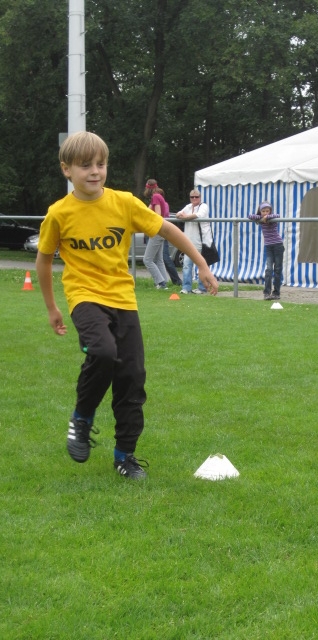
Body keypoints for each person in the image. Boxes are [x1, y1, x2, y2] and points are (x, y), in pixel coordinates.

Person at [35, 132, 218, 480]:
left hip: (123, 300)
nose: (95, 171)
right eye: (85, 165)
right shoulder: (59, 214)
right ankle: (82, 418)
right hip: (85, 298)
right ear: (66, 169)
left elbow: (168, 231)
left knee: (131, 378)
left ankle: (125, 456)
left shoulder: (124, 203)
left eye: (100, 164)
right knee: (103, 352)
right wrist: (52, 308)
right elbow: (43, 261)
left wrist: (202, 264)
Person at [175, 188, 213, 294]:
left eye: (197, 197)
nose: (194, 198)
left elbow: (198, 215)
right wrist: (184, 216)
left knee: (201, 265)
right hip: (189, 241)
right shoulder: (188, 207)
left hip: (202, 241)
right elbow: (178, 214)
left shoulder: (204, 206)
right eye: (192, 197)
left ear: (200, 197)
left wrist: (185, 217)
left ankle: (202, 288)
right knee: (187, 265)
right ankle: (186, 287)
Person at [248, 201, 284, 300]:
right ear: (260, 211)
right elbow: (250, 216)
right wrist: (261, 217)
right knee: (269, 269)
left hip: (278, 245)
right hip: (268, 246)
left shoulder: (272, 217)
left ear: (270, 211)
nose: (265, 213)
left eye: (267, 211)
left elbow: (278, 215)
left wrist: (267, 217)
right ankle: (267, 293)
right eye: (263, 211)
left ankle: (276, 293)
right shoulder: (260, 218)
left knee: (277, 269)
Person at [142, 179, 169, 289]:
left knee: (147, 260)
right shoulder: (158, 196)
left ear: (148, 188)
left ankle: (160, 282)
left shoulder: (155, 197)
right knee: (159, 259)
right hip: (161, 231)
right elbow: (147, 211)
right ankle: (164, 283)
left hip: (157, 230)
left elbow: (157, 214)